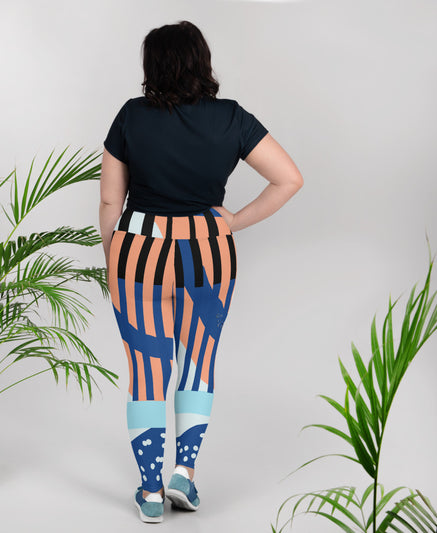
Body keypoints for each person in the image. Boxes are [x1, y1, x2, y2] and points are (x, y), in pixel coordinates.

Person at [100, 20, 303, 523]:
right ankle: (183, 474)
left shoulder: (131, 116)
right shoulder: (231, 118)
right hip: (208, 252)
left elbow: (109, 201)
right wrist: (233, 221)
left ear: (152, 65)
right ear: (201, 61)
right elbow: (289, 178)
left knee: (147, 371)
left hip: (138, 252)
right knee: (197, 362)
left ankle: (150, 492)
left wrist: (112, 260)